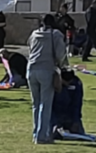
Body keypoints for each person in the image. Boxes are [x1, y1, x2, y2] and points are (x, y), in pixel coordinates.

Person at [26, 14, 68, 144]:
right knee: (46, 104)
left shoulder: (34, 34)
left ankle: (36, 133)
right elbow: (61, 53)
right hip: (46, 70)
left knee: (36, 104)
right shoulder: (55, 34)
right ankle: (42, 135)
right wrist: (64, 66)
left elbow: (30, 48)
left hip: (31, 69)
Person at [51, 68, 85, 137]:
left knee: (79, 134)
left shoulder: (77, 83)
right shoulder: (53, 83)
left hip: (70, 116)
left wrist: (75, 121)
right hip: (55, 115)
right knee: (54, 135)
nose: (67, 84)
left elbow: (77, 104)